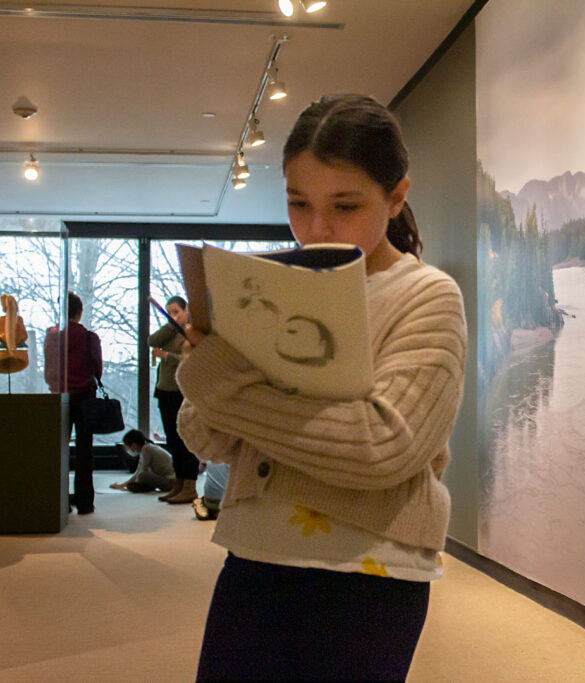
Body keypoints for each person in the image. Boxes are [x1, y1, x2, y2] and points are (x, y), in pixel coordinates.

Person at [175, 94, 467, 680]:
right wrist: (216, 371)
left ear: (397, 196)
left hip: (370, 569)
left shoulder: (427, 295)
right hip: (254, 551)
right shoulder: (266, 286)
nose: (317, 228)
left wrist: (225, 381)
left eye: (346, 205)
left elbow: (381, 446)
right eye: (298, 204)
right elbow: (201, 431)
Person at [44, 291, 103, 515]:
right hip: (85, 397)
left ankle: (60, 500)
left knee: (60, 450)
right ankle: (85, 501)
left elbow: (49, 368)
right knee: (84, 451)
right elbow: (97, 368)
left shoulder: (52, 336)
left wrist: (55, 386)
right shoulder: (90, 337)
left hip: (60, 397)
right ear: (80, 311)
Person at [148, 296, 200, 504]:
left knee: (185, 439)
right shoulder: (171, 331)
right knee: (172, 440)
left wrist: (167, 356)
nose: (173, 315)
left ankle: (190, 486)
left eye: (177, 311)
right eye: (169, 312)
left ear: (187, 310)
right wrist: (171, 324)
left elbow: (192, 360)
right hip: (164, 390)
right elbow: (151, 341)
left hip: (182, 392)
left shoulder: (191, 332)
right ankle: (178, 483)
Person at [111, 429, 176, 493]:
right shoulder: (146, 448)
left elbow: (142, 472)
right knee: (133, 483)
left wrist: (124, 485)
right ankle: (146, 486)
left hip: (171, 481)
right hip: (167, 479)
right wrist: (122, 485)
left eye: (127, 447)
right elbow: (138, 471)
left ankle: (147, 487)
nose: (127, 450)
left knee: (142, 476)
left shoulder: (147, 449)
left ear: (134, 445)